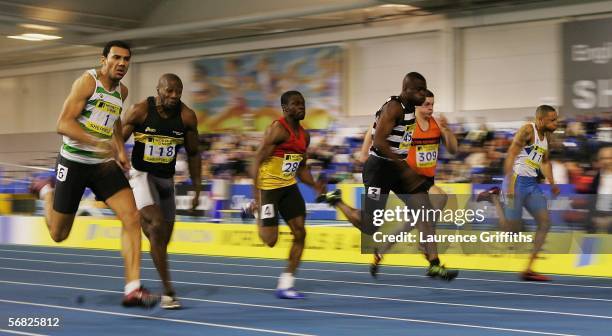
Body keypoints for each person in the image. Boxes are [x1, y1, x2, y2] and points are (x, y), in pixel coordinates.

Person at [29, 41, 158, 307]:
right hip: (74, 162)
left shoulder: (121, 92)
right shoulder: (87, 83)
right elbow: (63, 123)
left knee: (132, 217)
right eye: (116, 58)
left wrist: (120, 149)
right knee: (58, 233)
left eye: (126, 59)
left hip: (102, 166)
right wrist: (97, 143)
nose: (122, 63)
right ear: (104, 60)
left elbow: (115, 120)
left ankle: (133, 288)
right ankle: (45, 189)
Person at [318, 73, 458, 280]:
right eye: (419, 90)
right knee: (369, 226)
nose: (422, 94)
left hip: (398, 168)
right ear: (407, 90)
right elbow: (380, 142)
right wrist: (396, 163)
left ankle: (434, 265)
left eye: (425, 90)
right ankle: (337, 200)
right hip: (379, 170)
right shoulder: (394, 107)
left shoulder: (412, 108)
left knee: (424, 210)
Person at [122, 74, 201, 309]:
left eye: (178, 92)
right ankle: (169, 291)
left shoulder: (187, 116)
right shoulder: (140, 111)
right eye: (169, 91)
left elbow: (194, 154)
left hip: (166, 180)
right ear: (158, 89)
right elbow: (116, 142)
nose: (174, 96)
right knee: (156, 226)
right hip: (142, 175)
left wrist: (197, 188)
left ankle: (146, 229)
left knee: (163, 238)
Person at [369, 89, 459, 277]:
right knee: (440, 197)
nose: (430, 108)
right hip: (410, 180)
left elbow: (453, 150)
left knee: (408, 224)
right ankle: (425, 246)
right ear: (417, 105)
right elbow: (380, 138)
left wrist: (447, 130)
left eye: (433, 105)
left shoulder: (435, 124)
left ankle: (380, 252)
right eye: (427, 105)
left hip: (427, 179)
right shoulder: (408, 125)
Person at [251, 90, 324, 299]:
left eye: (303, 103)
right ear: (285, 108)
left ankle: (285, 284)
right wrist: (256, 197)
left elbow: (301, 169)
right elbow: (256, 160)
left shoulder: (305, 136)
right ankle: (256, 213)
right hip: (268, 189)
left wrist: (315, 185)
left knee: (300, 233)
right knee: (270, 240)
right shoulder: (277, 129)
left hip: (289, 186)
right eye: (296, 104)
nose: (302, 107)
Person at [477, 105, 560, 281]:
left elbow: (545, 162)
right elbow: (511, 155)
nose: (556, 123)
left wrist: (552, 183)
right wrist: (509, 184)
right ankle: (494, 197)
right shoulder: (527, 130)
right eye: (552, 120)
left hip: (531, 184)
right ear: (540, 120)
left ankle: (529, 269)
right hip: (516, 181)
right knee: (511, 231)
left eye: (556, 119)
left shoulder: (547, 137)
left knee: (545, 223)